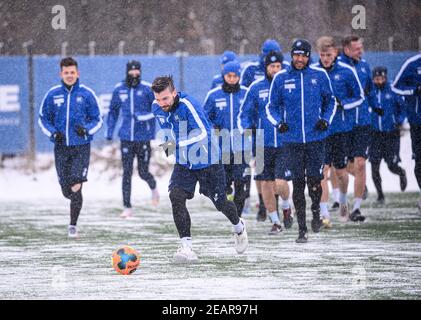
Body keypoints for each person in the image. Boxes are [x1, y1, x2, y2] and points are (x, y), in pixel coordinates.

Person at [151, 76, 248, 263]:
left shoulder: (188, 105)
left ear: (174, 92)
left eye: (165, 99)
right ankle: (187, 247)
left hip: (208, 160)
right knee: (176, 196)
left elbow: (203, 132)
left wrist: (177, 144)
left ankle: (239, 227)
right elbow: (165, 130)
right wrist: (166, 144)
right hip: (185, 163)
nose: (162, 103)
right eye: (158, 99)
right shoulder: (156, 107)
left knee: (220, 203)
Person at [266, 39, 336, 243]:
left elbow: (330, 101)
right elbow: (271, 107)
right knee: (297, 184)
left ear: (308, 56)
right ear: (291, 55)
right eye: (296, 55)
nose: (299, 59)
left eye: (303, 55)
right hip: (292, 140)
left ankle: (316, 212)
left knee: (315, 182)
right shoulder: (281, 78)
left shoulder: (319, 75)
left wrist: (325, 120)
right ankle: (301, 229)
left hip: (316, 139)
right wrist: (279, 123)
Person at [38, 57, 103, 238]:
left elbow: (98, 119)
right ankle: (73, 200)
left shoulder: (87, 94)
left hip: (81, 147)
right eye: (66, 72)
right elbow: (43, 118)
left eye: (72, 72)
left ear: (77, 73)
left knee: (76, 184)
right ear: (61, 74)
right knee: (66, 188)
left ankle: (72, 226)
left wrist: (86, 130)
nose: (69, 75)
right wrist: (53, 132)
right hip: (61, 147)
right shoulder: (52, 94)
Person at [238, 50, 293, 235]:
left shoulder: (289, 85)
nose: (275, 70)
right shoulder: (256, 88)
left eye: (278, 66)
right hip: (262, 143)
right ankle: (275, 222)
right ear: (266, 68)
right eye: (272, 66)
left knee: (280, 183)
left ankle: (286, 205)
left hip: (285, 142)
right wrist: (247, 128)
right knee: (266, 184)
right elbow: (244, 114)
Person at [313, 36, 366, 227]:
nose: (325, 58)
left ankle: (343, 201)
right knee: (322, 173)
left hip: (341, 130)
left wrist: (343, 104)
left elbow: (359, 96)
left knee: (342, 173)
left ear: (336, 53)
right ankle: (324, 213)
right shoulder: (314, 72)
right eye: (322, 54)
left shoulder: (346, 71)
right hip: (320, 131)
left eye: (329, 54)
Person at [106, 60, 159, 218]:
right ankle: (127, 206)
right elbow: (113, 112)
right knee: (127, 172)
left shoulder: (148, 89)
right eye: (132, 72)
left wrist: (143, 117)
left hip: (143, 138)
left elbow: (157, 110)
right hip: (126, 138)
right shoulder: (119, 89)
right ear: (127, 72)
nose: (134, 74)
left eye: (137, 72)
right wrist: (110, 131)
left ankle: (153, 187)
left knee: (143, 172)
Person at [338, 35, 379, 222]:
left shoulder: (364, 66)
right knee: (343, 168)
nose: (360, 51)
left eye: (361, 48)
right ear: (346, 49)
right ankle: (342, 201)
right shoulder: (338, 67)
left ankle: (356, 208)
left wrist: (376, 105)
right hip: (343, 124)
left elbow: (368, 91)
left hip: (363, 122)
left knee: (361, 163)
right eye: (356, 49)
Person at [203, 61, 249, 216]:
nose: (232, 79)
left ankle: (238, 217)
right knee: (224, 184)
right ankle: (230, 208)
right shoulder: (214, 95)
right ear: (224, 76)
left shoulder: (246, 93)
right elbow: (205, 119)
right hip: (221, 147)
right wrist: (213, 129)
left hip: (241, 147)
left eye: (235, 76)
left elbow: (252, 115)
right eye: (229, 76)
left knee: (240, 182)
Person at [369, 66, 407, 204]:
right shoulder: (370, 91)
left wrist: (399, 121)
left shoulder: (393, 89)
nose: (379, 81)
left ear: (385, 77)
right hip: (374, 135)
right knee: (374, 166)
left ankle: (401, 173)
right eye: (376, 79)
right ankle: (380, 195)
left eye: (381, 78)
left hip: (391, 134)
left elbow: (403, 108)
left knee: (391, 165)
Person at [391, 53, 421, 212]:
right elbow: (395, 86)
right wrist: (415, 90)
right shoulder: (412, 64)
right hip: (418, 122)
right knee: (420, 162)